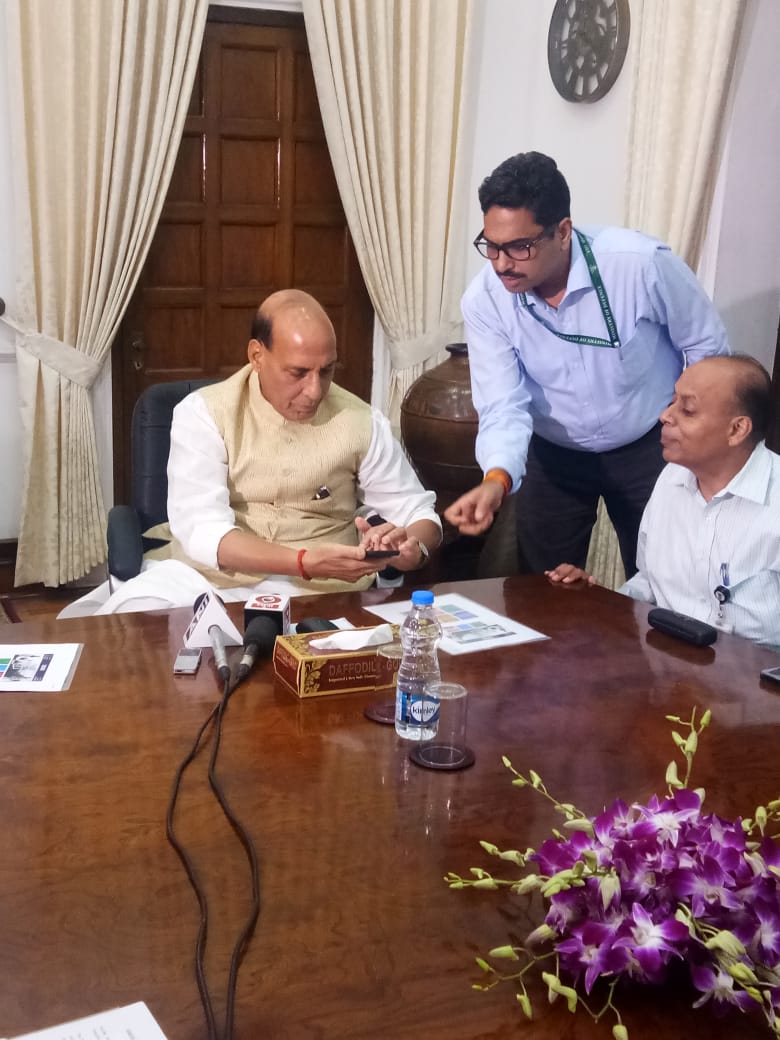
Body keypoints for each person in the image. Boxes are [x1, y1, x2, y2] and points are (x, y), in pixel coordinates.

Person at [59, 290, 441, 616]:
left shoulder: (361, 420)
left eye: (326, 371)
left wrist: (412, 549)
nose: (314, 391)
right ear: (257, 355)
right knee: (133, 623)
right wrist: (302, 562)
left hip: (326, 588)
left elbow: (418, 513)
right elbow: (205, 532)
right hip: (208, 579)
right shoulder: (204, 413)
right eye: (298, 373)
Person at [444, 151, 730, 577]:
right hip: (554, 454)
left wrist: (691, 433)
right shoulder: (486, 299)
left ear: (562, 232)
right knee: (542, 589)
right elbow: (502, 403)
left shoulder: (639, 265)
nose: (502, 263)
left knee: (663, 578)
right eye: (492, 245)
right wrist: (496, 479)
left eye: (519, 247)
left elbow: (707, 347)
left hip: (649, 446)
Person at [547, 356, 780, 648]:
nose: (666, 416)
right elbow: (649, 582)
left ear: (736, 430)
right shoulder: (672, 478)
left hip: (755, 669)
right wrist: (598, 598)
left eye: (688, 410)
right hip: (669, 659)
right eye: (672, 402)